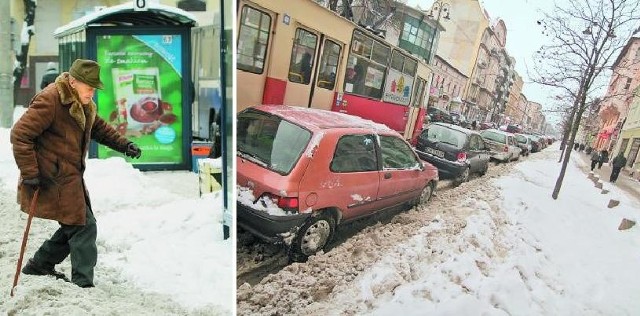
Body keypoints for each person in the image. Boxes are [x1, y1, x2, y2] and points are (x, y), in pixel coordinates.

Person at [11, 59, 142, 288]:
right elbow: (20, 135)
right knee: (83, 225)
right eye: (89, 86)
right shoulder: (50, 99)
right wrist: (30, 172)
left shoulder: (82, 101)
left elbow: (98, 127)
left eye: (94, 87)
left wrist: (124, 145)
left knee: (76, 222)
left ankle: (40, 264)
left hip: (68, 177)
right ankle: (83, 284)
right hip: (49, 177)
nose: (92, 92)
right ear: (73, 82)